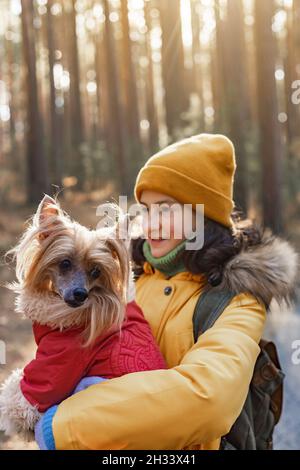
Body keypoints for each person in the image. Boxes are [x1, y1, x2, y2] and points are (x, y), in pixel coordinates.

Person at [35, 134, 298, 450]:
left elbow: (207, 399)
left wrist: (64, 424)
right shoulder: (130, 281)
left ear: (202, 217)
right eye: (146, 209)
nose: (151, 223)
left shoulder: (237, 298)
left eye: (166, 209)